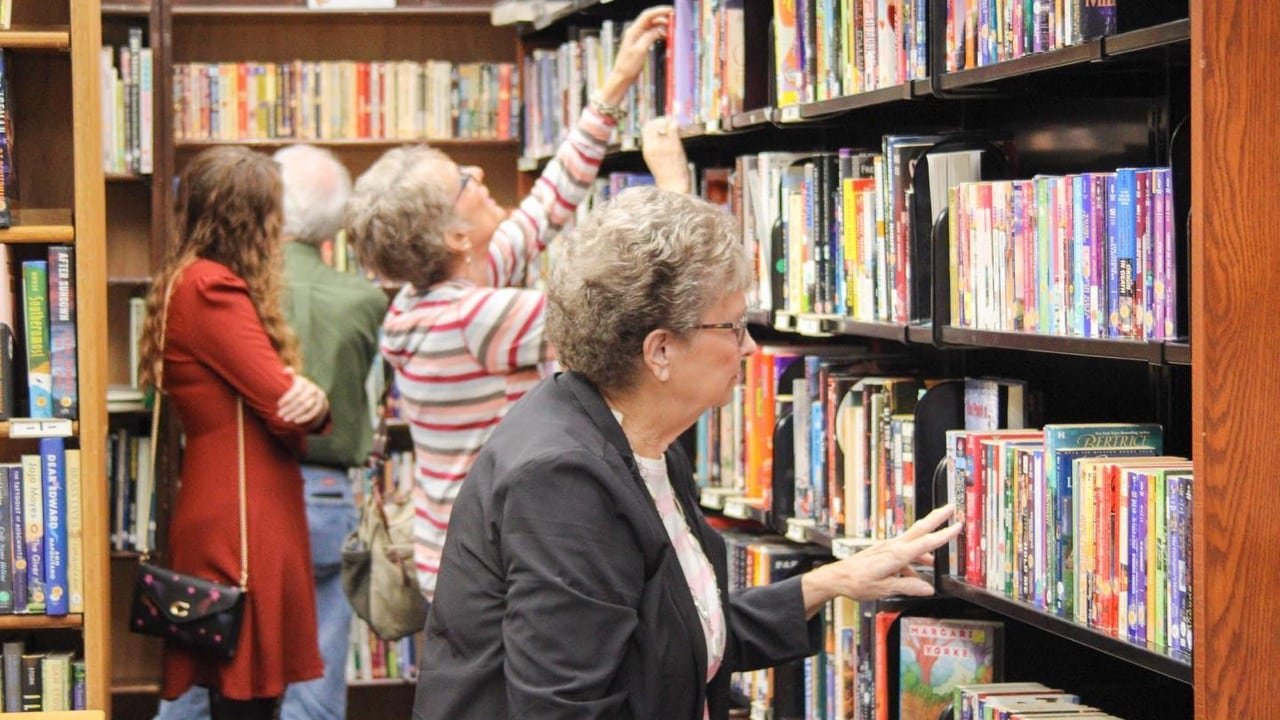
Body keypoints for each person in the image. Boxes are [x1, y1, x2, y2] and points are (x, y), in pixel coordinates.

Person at [412, 187, 963, 719]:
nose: (750, 346)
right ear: (661, 350)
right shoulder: (564, 479)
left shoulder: (642, 442)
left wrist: (832, 581)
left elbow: (676, 640)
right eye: (733, 326)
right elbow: (567, 707)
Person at [344, 4, 677, 602]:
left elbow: (549, 203)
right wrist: (673, 195)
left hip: (459, 549)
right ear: (454, 237)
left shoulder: (437, 299)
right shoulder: (472, 320)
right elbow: (615, 305)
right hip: (490, 557)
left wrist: (615, 85)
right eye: (463, 182)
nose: (477, 171)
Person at [154, 145, 389, 720]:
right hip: (246, 513)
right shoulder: (215, 290)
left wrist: (303, 399)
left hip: (227, 500)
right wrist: (309, 402)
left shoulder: (188, 280)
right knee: (249, 692)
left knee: (226, 683)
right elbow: (284, 403)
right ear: (252, 217)